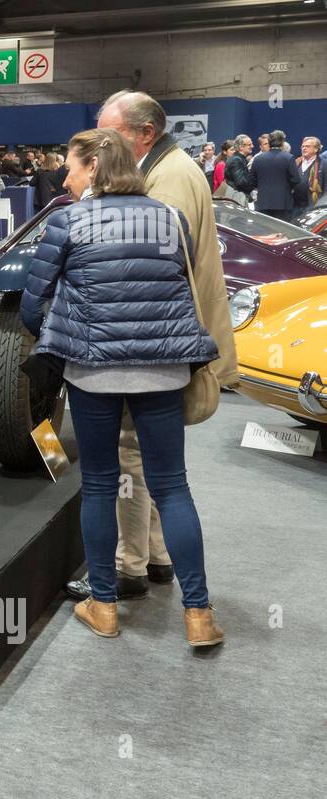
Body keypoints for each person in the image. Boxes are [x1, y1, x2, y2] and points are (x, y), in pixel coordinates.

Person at [20, 128, 223, 647]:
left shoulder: (68, 221)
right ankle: (198, 615)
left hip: (93, 369)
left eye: (71, 165)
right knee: (172, 486)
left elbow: (30, 304)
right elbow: (180, 280)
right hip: (163, 368)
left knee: (101, 484)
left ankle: (104, 606)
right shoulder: (170, 220)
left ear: (93, 167)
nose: (65, 175)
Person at [65, 89, 236, 604]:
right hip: (163, 347)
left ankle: (127, 567)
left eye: (108, 130)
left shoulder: (169, 177)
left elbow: (148, 273)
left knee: (129, 459)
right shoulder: (169, 168)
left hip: (147, 350)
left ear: (142, 134)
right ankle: (161, 560)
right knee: (158, 468)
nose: (100, 144)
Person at [249, 130, 305, 221]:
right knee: (281, 233)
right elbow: (296, 180)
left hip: (263, 203)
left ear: (269, 142)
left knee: (264, 232)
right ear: (283, 143)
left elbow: (251, 181)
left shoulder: (258, 159)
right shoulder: (289, 158)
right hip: (283, 203)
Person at [221, 134, 255, 205]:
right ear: (241, 147)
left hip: (236, 197)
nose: (252, 146)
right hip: (236, 199)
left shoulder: (239, 159)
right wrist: (254, 184)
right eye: (249, 144)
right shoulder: (236, 160)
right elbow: (241, 183)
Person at [297, 136, 325, 209]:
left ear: (316, 149)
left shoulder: (324, 164)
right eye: (302, 146)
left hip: (313, 205)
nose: (304, 148)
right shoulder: (296, 162)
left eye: (307, 146)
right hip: (295, 205)